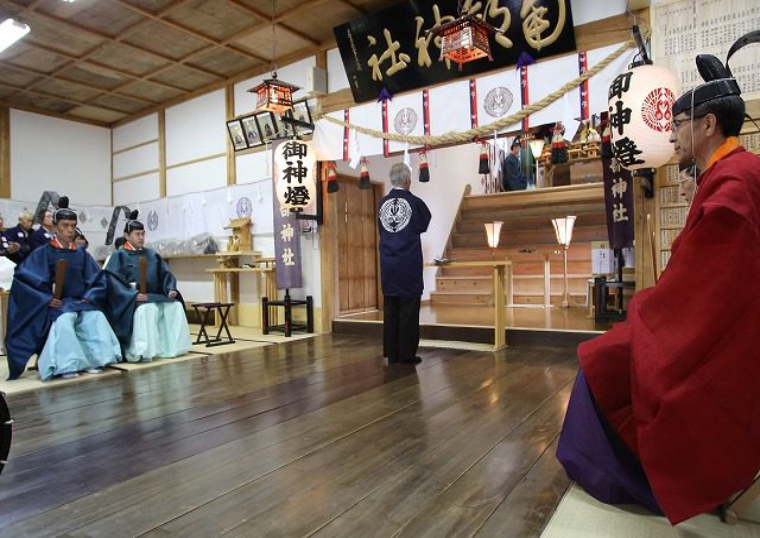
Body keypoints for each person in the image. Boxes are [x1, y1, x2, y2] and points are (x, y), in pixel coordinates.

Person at [556, 44, 760, 524]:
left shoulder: (736, 179)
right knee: (611, 350)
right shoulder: (729, 173)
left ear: (708, 124)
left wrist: (648, 311)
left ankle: (639, 480)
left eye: (680, 122)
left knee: (603, 363)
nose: (673, 133)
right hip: (712, 322)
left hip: (724, 339)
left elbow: (709, 289)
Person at [5, 197, 121, 380]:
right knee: (66, 318)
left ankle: (93, 360)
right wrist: (46, 298)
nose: (69, 230)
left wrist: (89, 296)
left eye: (73, 225)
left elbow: (98, 279)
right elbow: (24, 279)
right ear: (55, 226)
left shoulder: (81, 254)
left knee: (95, 316)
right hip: (55, 304)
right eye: (65, 225)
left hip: (79, 301)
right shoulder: (44, 252)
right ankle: (66, 364)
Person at [104, 211, 191, 362]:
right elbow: (112, 281)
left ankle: (173, 348)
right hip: (131, 298)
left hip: (152, 295)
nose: (141, 237)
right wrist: (131, 295)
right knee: (147, 309)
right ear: (127, 235)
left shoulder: (152, 254)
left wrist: (170, 288)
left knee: (175, 306)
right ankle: (145, 351)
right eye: (137, 234)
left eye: (143, 234)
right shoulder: (119, 255)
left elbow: (165, 274)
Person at [378, 163, 431, 365]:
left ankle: (392, 354)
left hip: (388, 263)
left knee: (391, 308)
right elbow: (423, 224)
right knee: (409, 309)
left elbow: (382, 231)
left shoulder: (382, 203)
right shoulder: (415, 202)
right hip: (408, 263)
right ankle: (407, 354)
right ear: (408, 180)